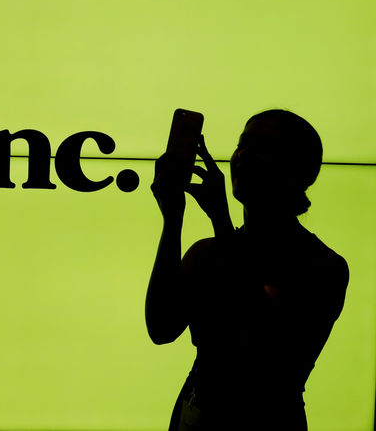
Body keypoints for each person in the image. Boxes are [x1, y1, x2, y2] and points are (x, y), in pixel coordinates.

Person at [147, 109, 349, 431]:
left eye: (263, 147)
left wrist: (220, 220)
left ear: (297, 171)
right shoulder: (208, 251)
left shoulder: (321, 265)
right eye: (243, 143)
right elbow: (161, 326)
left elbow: (264, 351)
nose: (243, 155)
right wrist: (173, 218)